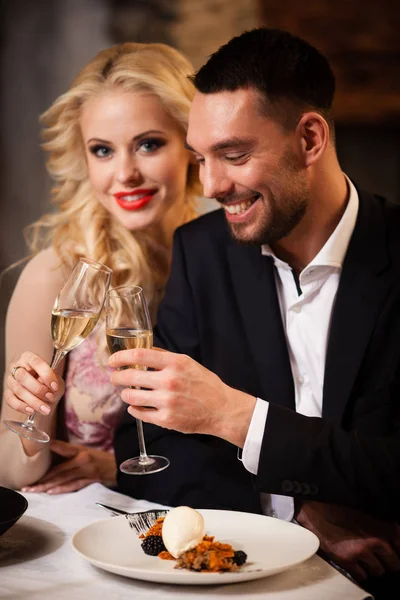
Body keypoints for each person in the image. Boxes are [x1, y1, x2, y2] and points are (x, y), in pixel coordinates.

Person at [110, 28, 400, 597]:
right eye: (200, 158)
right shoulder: (200, 251)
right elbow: (146, 443)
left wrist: (235, 417)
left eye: (234, 155)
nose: (212, 185)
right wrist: (294, 524)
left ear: (310, 138)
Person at [0, 42, 201, 494]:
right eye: (103, 150)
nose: (125, 173)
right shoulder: (56, 275)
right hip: (90, 529)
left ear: (192, 143)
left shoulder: (228, 260)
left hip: (215, 518)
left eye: (148, 144)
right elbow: (11, 472)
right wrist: (29, 426)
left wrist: (115, 464)